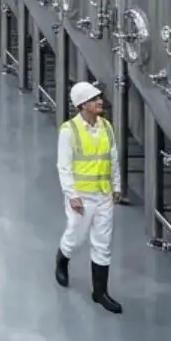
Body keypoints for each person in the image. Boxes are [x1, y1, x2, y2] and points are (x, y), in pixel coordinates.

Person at [54, 81, 123, 314]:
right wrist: (72, 195)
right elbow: (64, 166)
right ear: (82, 105)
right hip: (81, 198)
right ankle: (62, 259)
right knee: (76, 236)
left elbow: (113, 158)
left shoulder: (106, 127)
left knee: (103, 244)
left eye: (99, 98)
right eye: (94, 100)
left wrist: (116, 186)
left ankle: (100, 292)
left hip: (103, 195)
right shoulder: (69, 131)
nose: (100, 102)